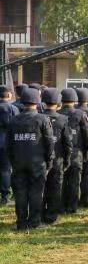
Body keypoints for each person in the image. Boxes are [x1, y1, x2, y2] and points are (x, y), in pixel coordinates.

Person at [6, 88, 54, 231]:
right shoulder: (42, 119)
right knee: (36, 192)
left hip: (18, 162)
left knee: (20, 192)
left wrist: (13, 161)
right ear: (37, 102)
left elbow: (8, 145)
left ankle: (21, 222)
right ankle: (34, 222)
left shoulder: (13, 120)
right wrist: (49, 162)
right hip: (38, 163)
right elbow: (49, 143)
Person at [59, 88, 88, 213]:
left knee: (61, 181)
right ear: (75, 100)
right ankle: (72, 206)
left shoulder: (57, 113)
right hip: (76, 152)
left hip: (60, 153)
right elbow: (87, 136)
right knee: (75, 181)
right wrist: (87, 152)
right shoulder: (81, 114)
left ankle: (61, 206)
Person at [40, 88, 71, 225]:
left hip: (41, 159)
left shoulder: (39, 117)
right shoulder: (63, 119)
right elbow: (67, 142)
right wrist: (67, 160)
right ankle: (52, 215)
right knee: (56, 187)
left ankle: (40, 214)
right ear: (58, 103)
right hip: (58, 159)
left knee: (41, 188)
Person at [0, 86, 19, 206]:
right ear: (9, 95)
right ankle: (5, 196)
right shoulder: (13, 108)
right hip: (7, 143)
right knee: (6, 170)